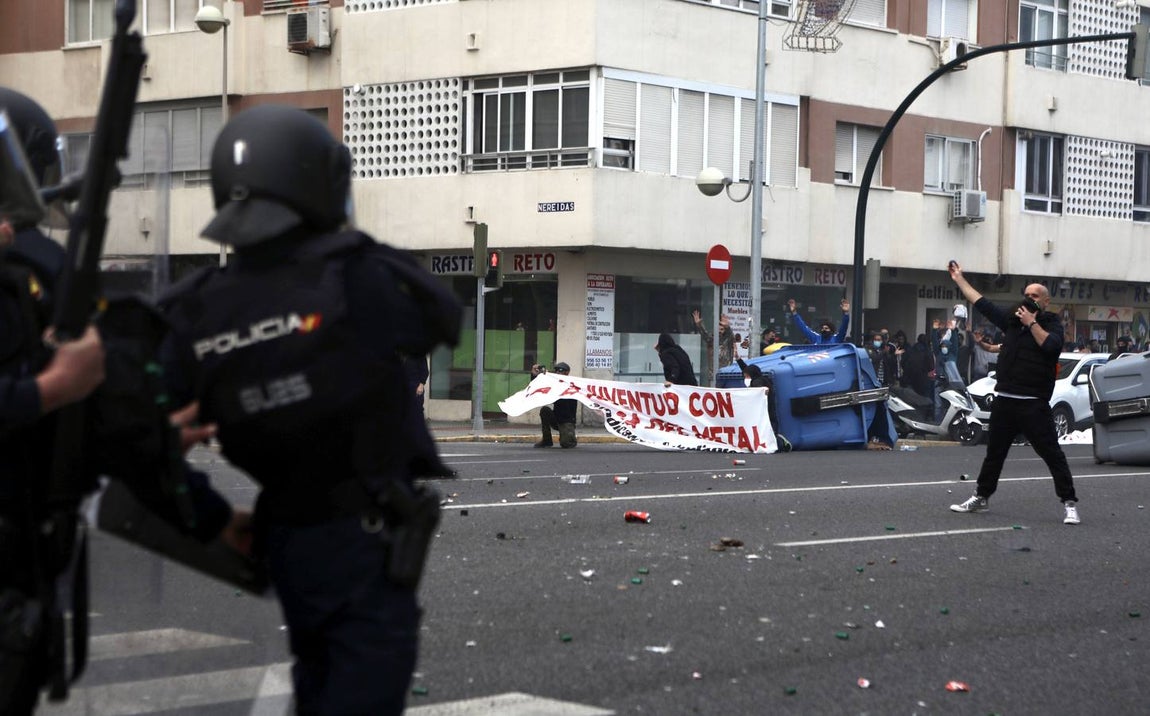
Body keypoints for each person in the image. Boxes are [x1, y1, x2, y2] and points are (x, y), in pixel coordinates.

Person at [159, 105, 463, 715]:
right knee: (360, 686)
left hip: (285, 533)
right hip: (363, 533)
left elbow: (138, 442)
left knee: (315, 677)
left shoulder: (193, 309)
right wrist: (344, 244)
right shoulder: (355, 278)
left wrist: (209, 514)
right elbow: (441, 314)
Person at [944, 261, 1080, 525]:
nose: (1028, 299)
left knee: (1052, 454)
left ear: (1046, 301)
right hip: (1006, 401)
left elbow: (1050, 347)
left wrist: (1031, 323)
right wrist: (959, 279)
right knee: (994, 453)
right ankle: (981, 496)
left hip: (1033, 404)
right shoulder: (1012, 322)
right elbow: (983, 303)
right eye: (1026, 295)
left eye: (1034, 296)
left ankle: (1069, 503)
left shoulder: (1051, 324)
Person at [736, 358, 791, 452]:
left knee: (769, 433)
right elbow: (747, 369)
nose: (746, 379)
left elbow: (760, 387)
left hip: (766, 412)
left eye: (747, 376)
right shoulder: (760, 378)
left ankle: (781, 443)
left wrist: (763, 390)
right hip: (765, 412)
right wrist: (739, 360)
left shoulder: (757, 382)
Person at [531, 361, 577, 448]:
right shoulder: (555, 384)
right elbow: (537, 388)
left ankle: (569, 436)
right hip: (556, 418)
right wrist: (536, 376)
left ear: (567, 372)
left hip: (566, 421)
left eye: (560, 370)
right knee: (545, 410)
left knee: (567, 444)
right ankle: (546, 440)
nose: (558, 373)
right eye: (556, 371)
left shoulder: (571, 385)